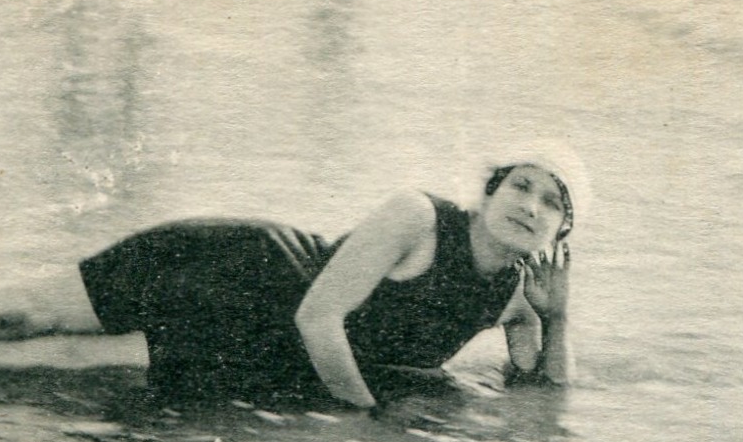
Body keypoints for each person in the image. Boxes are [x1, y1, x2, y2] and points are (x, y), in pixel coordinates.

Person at [75, 149, 579, 407]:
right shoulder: (419, 217)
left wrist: (557, 317)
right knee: (15, 317)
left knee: (33, 364)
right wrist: (365, 416)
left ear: (560, 230)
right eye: (520, 186)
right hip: (226, 268)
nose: (530, 207)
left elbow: (544, 393)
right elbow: (318, 317)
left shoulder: (517, 297)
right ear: (490, 192)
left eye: (551, 203)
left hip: (245, 341)